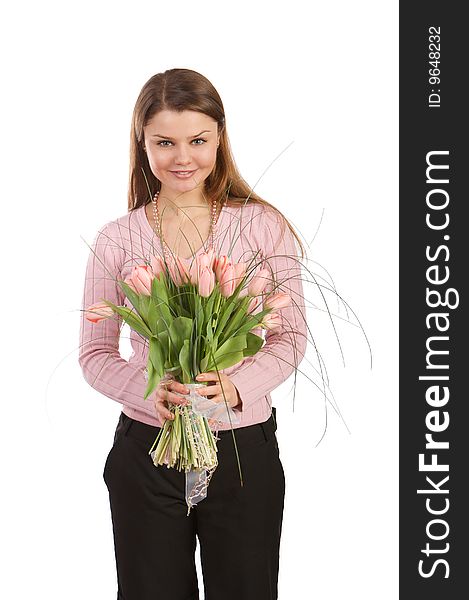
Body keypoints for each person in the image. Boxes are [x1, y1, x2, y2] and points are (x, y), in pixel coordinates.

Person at [79, 68, 308, 600]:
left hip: (242, 451)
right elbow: (94, 353)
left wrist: (234, 387)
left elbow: (290, 335)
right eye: (165, 142)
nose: (183, 157)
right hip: (147, 453)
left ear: (220, 138)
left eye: (198, 140)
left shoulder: (261, 225)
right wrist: (146, 389)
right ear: (144, 143)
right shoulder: (118, 238)